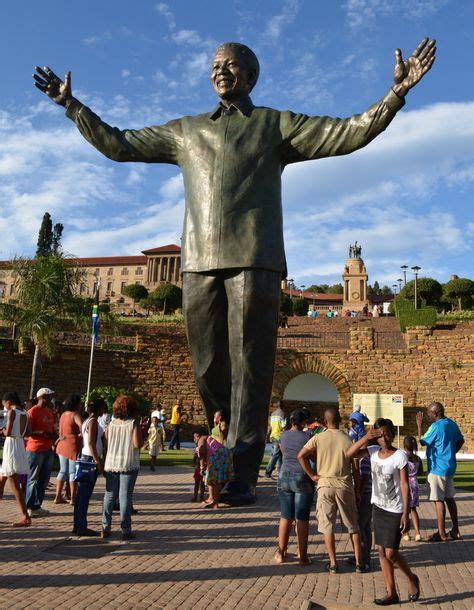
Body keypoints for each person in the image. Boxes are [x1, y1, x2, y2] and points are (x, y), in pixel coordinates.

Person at [34, 37, 435, 505]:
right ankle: (222, 453)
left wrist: (395, 95)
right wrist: (72, 106)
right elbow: (120, 145)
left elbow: (346, 133)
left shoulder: (274, 125)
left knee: (251, 366)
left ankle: (242, 470)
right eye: (215, 65)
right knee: (206, 366)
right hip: (200, 261)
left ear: (250, 76)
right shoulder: (186, 131)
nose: (221, 71)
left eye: (231, 65)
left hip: (255, 259)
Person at [347, 418, 420, 606]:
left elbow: (404, 484)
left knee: (391, 554)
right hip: (378, 508)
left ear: (392, 435)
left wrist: (405, 513)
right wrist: (365, 437)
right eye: (380, 434)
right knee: (381, 553)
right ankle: (391, 593)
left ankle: (411, 578)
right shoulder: (372, 452)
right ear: (376, 437)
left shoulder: (400, 456)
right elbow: (349, 454)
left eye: (387, 433)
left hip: (395, 510)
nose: (384, 437)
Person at [298, 407, 364, 573]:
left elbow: (301, 455)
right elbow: (356, 469)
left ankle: (333, 563)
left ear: (325, 422)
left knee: (327, 526)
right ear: (340, 420)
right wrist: (358, 491)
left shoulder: (319, 437)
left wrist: (312, 475)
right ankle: (359, 562)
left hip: (325, 484)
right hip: (344, 485)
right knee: (352, 525)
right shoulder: (349, 440)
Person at [416, 401, 464, 541]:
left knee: (438, 500)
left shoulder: (435, 427)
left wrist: (419, 425)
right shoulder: (451, 423)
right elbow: (461, 441)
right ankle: (455, 530)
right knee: (450, 498)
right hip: (449, 467)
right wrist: (451, 453)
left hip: (437, 469)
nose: (428, 416)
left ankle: (441, 533)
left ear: (436, 413)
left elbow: (422, 441)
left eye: (429, 413)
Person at [275, 409, 314, 566]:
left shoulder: (283, 436)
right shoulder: (307, 436)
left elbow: (284, 453)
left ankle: (281, 552)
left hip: (284, 475)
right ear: (304, 422)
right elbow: (310, 455)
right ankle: (302, 556)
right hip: (301, 476)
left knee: (285, 516)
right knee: (302, 517)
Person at [102, 395, 142, 540]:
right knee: (125, 497)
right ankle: (126, 530)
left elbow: (106, 443)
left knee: (109, 496)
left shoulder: (110, 425)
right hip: (128, 462)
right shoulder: (133, 423)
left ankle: (105, 527)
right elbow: (137, 444)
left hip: (112, 462)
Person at [73, 398, 106, 537]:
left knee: (81, 495)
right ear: (99, 409)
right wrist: (98, 461)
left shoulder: (87, 421)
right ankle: (81, 526)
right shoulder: (92, 422)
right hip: (90, 459)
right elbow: (91, 443)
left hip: (85, 457)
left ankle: (78, 525)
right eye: (103, 408)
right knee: (84, 496)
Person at [0, 392, 31, 527]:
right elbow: (28, 433)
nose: (4, 407)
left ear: (8, 401)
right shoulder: (25, 413)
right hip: (19, 445)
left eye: (4, 404)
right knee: (2, 480)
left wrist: (1, 430)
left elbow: (8, 432)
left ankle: (25, 516)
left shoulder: (12, 412)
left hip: (11, 445)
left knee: (13, 483)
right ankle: (25, 516)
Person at [25, 387, 56, 517]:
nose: (51, 399)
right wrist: (40, 432)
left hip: (48, 449)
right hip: (35, 450)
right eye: (49, 397)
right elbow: (26, 432)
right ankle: (29, 507)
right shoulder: (32, 412)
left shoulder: (49, 412)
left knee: (43, 479)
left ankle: (37, 505)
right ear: (41, 397)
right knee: (32, 479)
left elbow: (52, 429)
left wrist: (56, 438)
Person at [54, 393, 83, 505]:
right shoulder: (75, 415)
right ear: (76, 404)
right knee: (72, 472)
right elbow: (82, 426)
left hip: (62, 444)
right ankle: (73, 498)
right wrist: (81, 434)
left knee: (63, 471)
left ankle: (57, 496)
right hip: (72, 445)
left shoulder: (63, 415)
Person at [203, 411, 233, 508]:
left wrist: (220, 428)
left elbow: (223, 434)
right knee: (211, 478)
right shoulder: (217, 425)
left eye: (215, 416)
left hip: (219, 454)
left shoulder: (223, 424)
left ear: (219, 417)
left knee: (216, 479)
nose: (213, 417)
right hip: (214, 454)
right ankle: (211, 498)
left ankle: (215, 502)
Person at [402, 436, 422, 542]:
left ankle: (405, 533)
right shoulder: (417, 458)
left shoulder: (403, 457)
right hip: (415, 484)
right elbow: (421, 472)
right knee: (413, 509)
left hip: (406, 483)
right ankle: (418, 532)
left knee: (405, 509)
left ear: (404, 445)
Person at [265, 402, 286, 479]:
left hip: (273, 435)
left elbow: (270, 425)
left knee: (279, 455)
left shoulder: (273, 414)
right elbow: (284, 426)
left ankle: (281, 473)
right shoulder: (282, 414)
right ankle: (268, 472)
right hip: (279, 436)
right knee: (276, 455)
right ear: (283, 406)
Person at [192, 430, 208, 503]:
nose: (194, 439)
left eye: (195, 437)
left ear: (198, 436)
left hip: (202, 466)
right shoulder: (197, 446)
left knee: (202, 483)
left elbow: (202, 455)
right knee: (197, 482)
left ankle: (201, 497)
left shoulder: (202, 444)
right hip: (197, 466)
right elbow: (195, 458)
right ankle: (195, 496)